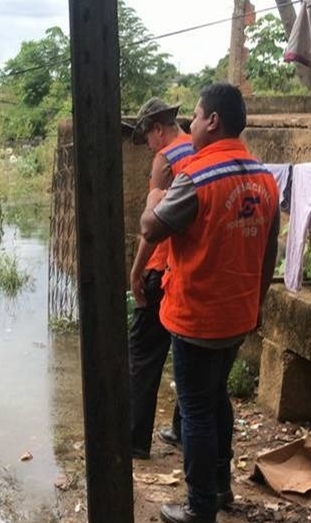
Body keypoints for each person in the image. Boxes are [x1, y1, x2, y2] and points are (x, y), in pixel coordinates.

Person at [140, 83, 279, 523]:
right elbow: (269, 250)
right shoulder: (263, 176)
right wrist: (256, 304)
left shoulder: (196, 177)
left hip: (197, 315)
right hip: (238, 315)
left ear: (213, 121)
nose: (190, 126)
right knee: (217, 398)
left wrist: (155, 197)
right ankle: (220, 487)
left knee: (197, 409)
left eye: (195, 118)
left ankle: (200, 509)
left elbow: (152, 228)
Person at [128, 97, 194, 459]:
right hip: (187, 271)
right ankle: (183, 431)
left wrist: (136, 272)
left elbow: (152, 229)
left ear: (157, 129)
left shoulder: (165, 160)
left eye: (148, 137)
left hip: (158, 269)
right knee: (187, 353)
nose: (149, 146)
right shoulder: (199, 153)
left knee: (143, 356)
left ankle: (135, 440)